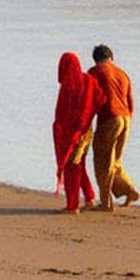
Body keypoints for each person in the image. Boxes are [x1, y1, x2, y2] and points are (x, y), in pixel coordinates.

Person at [88, 44, 140, 212]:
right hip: (125, 118)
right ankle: (129, 190)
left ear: (96, 60)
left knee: (102, 162)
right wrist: (127, 120)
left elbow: (90, 100)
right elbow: (130, 100)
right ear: (111, 58)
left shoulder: (95, 72)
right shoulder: (122, 73)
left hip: (109, 119)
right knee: (115, 160)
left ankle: (106, 204)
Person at [52, 52, 103, 214]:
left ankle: (72, 206)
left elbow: (62, 113)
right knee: (79, 164)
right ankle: (89, 197)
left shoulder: (68, 86)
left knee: (71, 166)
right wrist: (88, 118)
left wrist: (60, 131)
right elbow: (101, 98)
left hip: (72, 133)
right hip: (87, 131)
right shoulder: (89, 80)